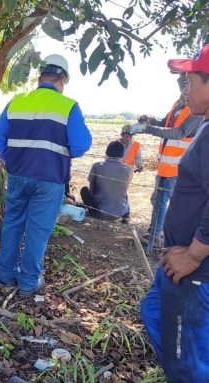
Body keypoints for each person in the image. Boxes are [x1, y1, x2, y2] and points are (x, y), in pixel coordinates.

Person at [0, 54, 92, 296]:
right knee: (37, 230)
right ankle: (28, 282)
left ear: (40, 77)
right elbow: (80, 146)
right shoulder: (68, 106)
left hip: (17, 176)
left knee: (13, 224)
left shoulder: (17, 101)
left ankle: (5, 277)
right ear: (62, 79)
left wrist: (11, 159)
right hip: (49, 180)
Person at [140, 44, 209, 382]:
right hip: (180, 262)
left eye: (191, 81)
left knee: (188, 360)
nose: (186, 90)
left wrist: (195, 254)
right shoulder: (203, 124)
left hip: (194, 269)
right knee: (153, 310)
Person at [133, 73, 204, 250]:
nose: (182, 86)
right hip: (166, 164)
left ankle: (164, 239)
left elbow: (179, 133)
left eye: (186, 82)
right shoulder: (178, 104)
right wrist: (151, 121)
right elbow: (165, 124)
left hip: (180, 166)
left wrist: (148, 129)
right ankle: (155, 234)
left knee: (172, 204)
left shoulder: (196, 109)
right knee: (158, 200)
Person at [80, 141, 131, 223]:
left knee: (84, 190)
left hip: (100, 212)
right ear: (122, 154)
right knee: (121, 190)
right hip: (120, 212)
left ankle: (95, 210)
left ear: (107, 152)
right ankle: (126, 216)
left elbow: (92, 188)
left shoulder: (97, 166)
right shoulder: (128, 169)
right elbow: (124, 188)